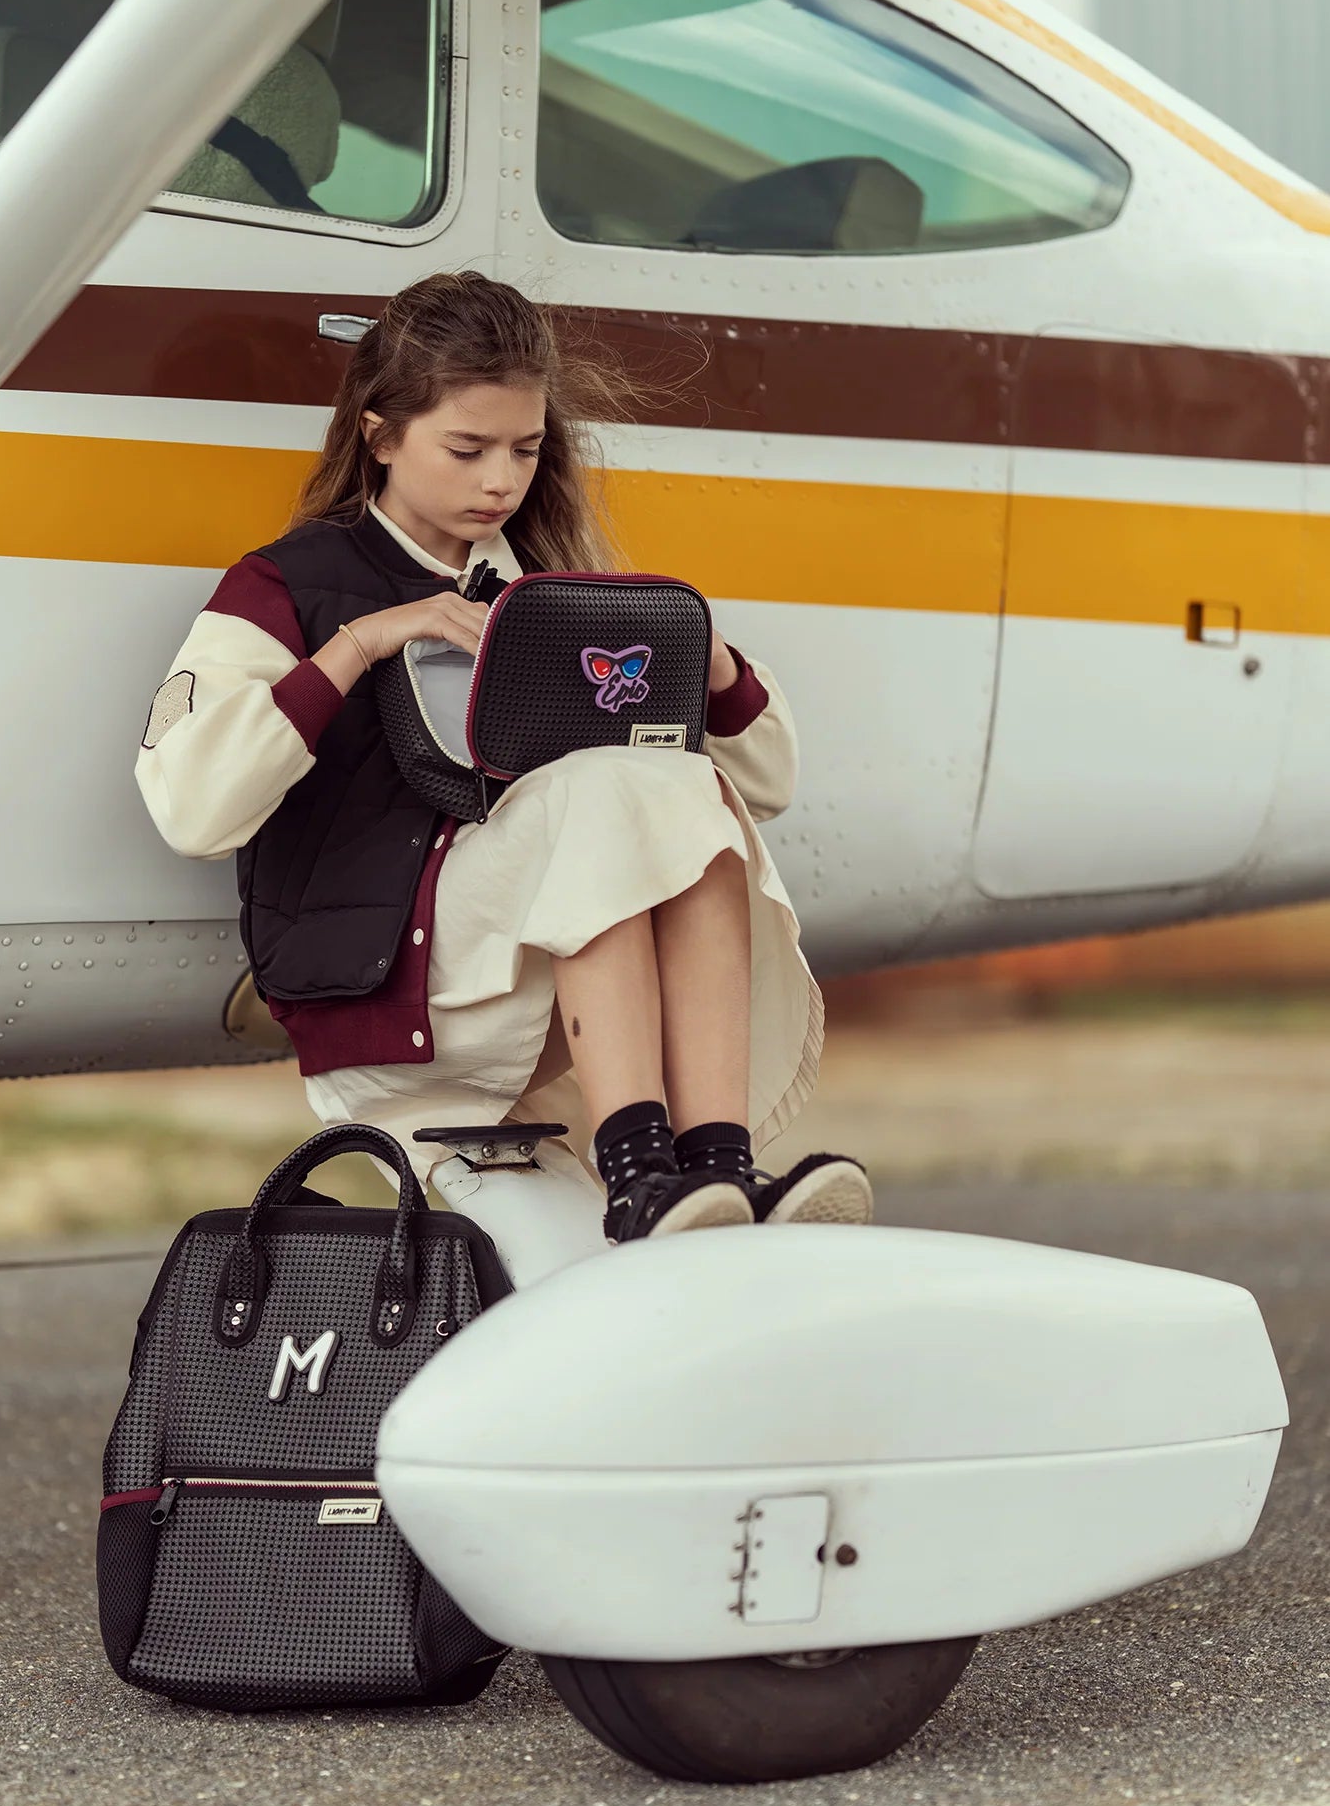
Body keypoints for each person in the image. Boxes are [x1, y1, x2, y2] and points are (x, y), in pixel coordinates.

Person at [135, 272, 871, 1241]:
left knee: (676, 779)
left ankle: (713, 1166)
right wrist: (359, 644)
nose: (500, 481)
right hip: (387, 994)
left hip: (521, 980)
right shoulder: (286, 585)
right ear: (379, 434)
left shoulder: (549, 596)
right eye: (467, 448)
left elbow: (765, 784)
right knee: (608, 792)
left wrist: (706, 656)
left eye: (525, 450)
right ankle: (639, 1172)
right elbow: (190, 809)